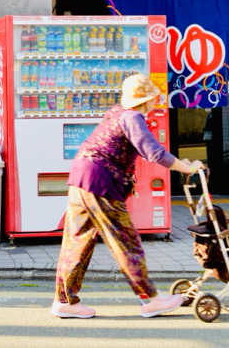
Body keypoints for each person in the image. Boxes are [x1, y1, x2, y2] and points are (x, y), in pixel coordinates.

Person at [52, 73, 204, 319]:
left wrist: (180, 162)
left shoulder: (117, 112)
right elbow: (154, 153)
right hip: (101, 182)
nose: (157, 101)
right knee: (126, 242)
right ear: (146, 99)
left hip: (81, 176)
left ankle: (64, 301)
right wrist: (187, 168)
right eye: (154, 96)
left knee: (76, 242)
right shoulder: (133, 117)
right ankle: (150, 300)